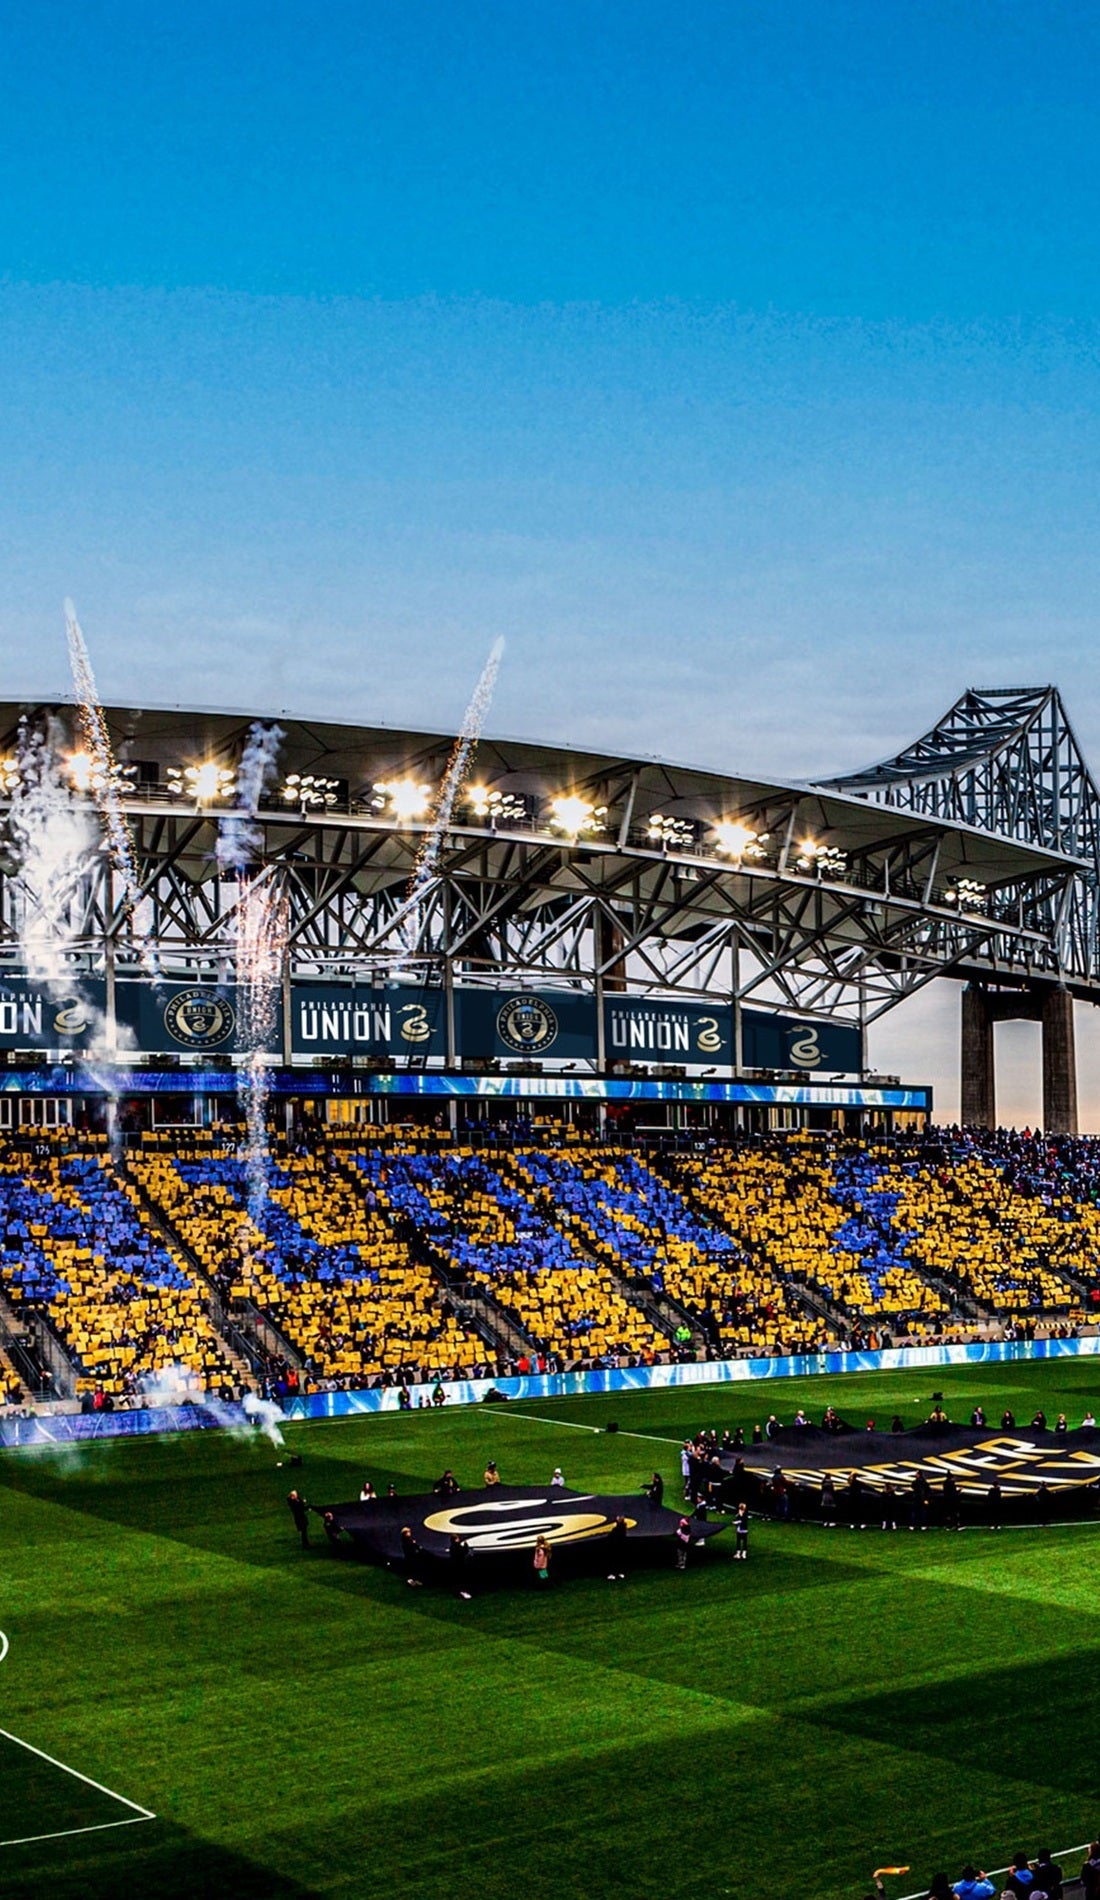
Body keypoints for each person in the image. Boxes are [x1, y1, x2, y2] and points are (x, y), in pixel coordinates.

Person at [449, 1532, 472, 1599]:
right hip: (460, 1564)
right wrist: (465, 1544)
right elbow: (465, 1551)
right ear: (456, 1539)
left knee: (457, 1579)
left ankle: (457, 1591)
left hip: (454, 1565)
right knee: (462, 1579)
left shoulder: (451, 1547)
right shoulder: (457, 1546)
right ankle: (463, 1592)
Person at [606, 1513, 628, 1581]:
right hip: (620, 1545)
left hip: (616, 1545)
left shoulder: (618, 1528)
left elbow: (612, 1535)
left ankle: (613, 1574)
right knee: (619, 1559)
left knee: (614, 1560)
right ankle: (620, 1573)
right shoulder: (623, 1527)